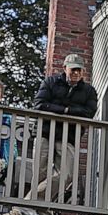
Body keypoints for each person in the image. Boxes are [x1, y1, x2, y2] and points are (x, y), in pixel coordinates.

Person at [30, 53, 98, 202]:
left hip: (70, 136)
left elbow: (88, 113)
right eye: (73, 69)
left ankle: (31, 201)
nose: (76, 73)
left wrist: (58, 109)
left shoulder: (88, 91)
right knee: (40, 172)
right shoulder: (50, 82)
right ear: (65, 68)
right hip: (45, 131)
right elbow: (39, 105)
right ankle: (39, 207)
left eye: (79, 70)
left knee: (67, 174)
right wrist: (69, 111)